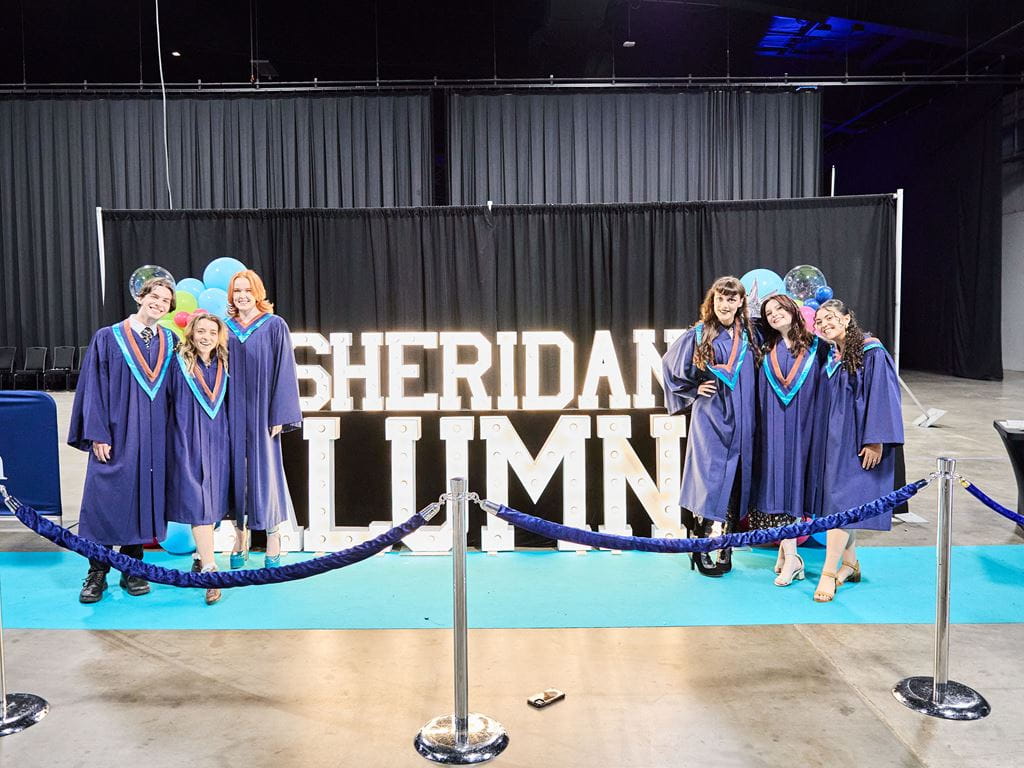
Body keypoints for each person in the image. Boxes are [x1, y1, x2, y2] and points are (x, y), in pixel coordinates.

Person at [68, 277, 176, 603]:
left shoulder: (169, 341)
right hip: (116, 432)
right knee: (106, 499)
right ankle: (97, 572)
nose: (158, 303)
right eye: (154, 296)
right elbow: (93, 388)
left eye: (165, 301)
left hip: (154, 435)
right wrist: (97, 432)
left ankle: (133, 568)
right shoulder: (108, 337)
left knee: (143, 497)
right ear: (141, 297)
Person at [808, 299, 904, 602]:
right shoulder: (833, 354)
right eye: (819, 321)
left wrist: (875, 439)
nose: (824, 324)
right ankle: (850, 564)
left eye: (831, 318)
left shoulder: (870, 350)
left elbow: (883, 396)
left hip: (859, 439)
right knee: (847, 504)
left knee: (842, 504)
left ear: (848, 318)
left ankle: (827, 574)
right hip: (837, 439)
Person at [662, 276, 756, 577]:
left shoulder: (751, 334)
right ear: (711, 302)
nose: (725, 304)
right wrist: (692, 390)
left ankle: (726, 544)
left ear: (741, 302)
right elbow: (669, 366)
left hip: (745, 416)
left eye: (731, 298)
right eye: (720, 298)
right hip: (712, 416)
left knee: (736, 479)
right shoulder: (699, 333)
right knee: (709, 478)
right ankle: (700, 543)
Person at [224, 269, 302, 568]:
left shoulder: (273, 326)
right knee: (233, 475)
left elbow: (284, 371)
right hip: (230, 410)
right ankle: (240, 537)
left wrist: (279, 413)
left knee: (265, 473)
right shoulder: (224, 327)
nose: (242, 295)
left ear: (258, 293)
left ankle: (273, 536)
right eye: (236, 291)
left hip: (262, 412)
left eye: (247, 290)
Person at [751, 294, 820, 587]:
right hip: (774, 430)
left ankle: (791, 556)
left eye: (779, 308)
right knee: (778, 487)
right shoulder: (767, 350)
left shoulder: (818, 347)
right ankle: (789, 554)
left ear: (793, 309)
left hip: (806, 428)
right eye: (768, 313)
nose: (775, 314)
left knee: (795, 488)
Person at [167, 312, 230, 605]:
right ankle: (210, 570)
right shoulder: (177, 363)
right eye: (201, 331)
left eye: (212, 332)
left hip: (217, 440)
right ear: (191, 333)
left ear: (219, 337)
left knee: (213, 504)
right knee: (199, 503)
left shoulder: (224, 365)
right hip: (186, 439)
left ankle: (199, 555)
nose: (206, 336)